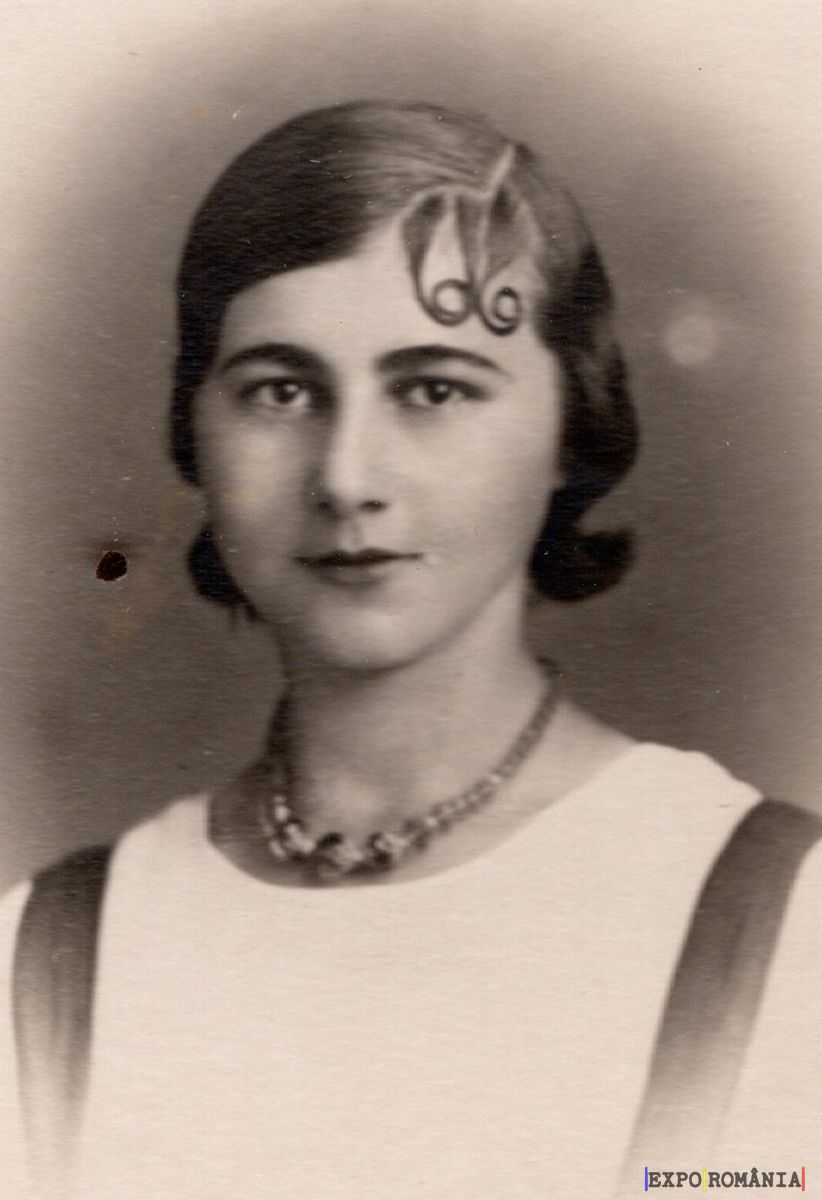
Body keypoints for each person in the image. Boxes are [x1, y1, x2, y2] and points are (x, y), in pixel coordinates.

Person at [1, 100, 820, 1200]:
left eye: (433, 389)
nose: (347, 478)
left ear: (570, 427)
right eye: (281, 390)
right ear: (193, 426)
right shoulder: (47, 961)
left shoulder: (782, 924)